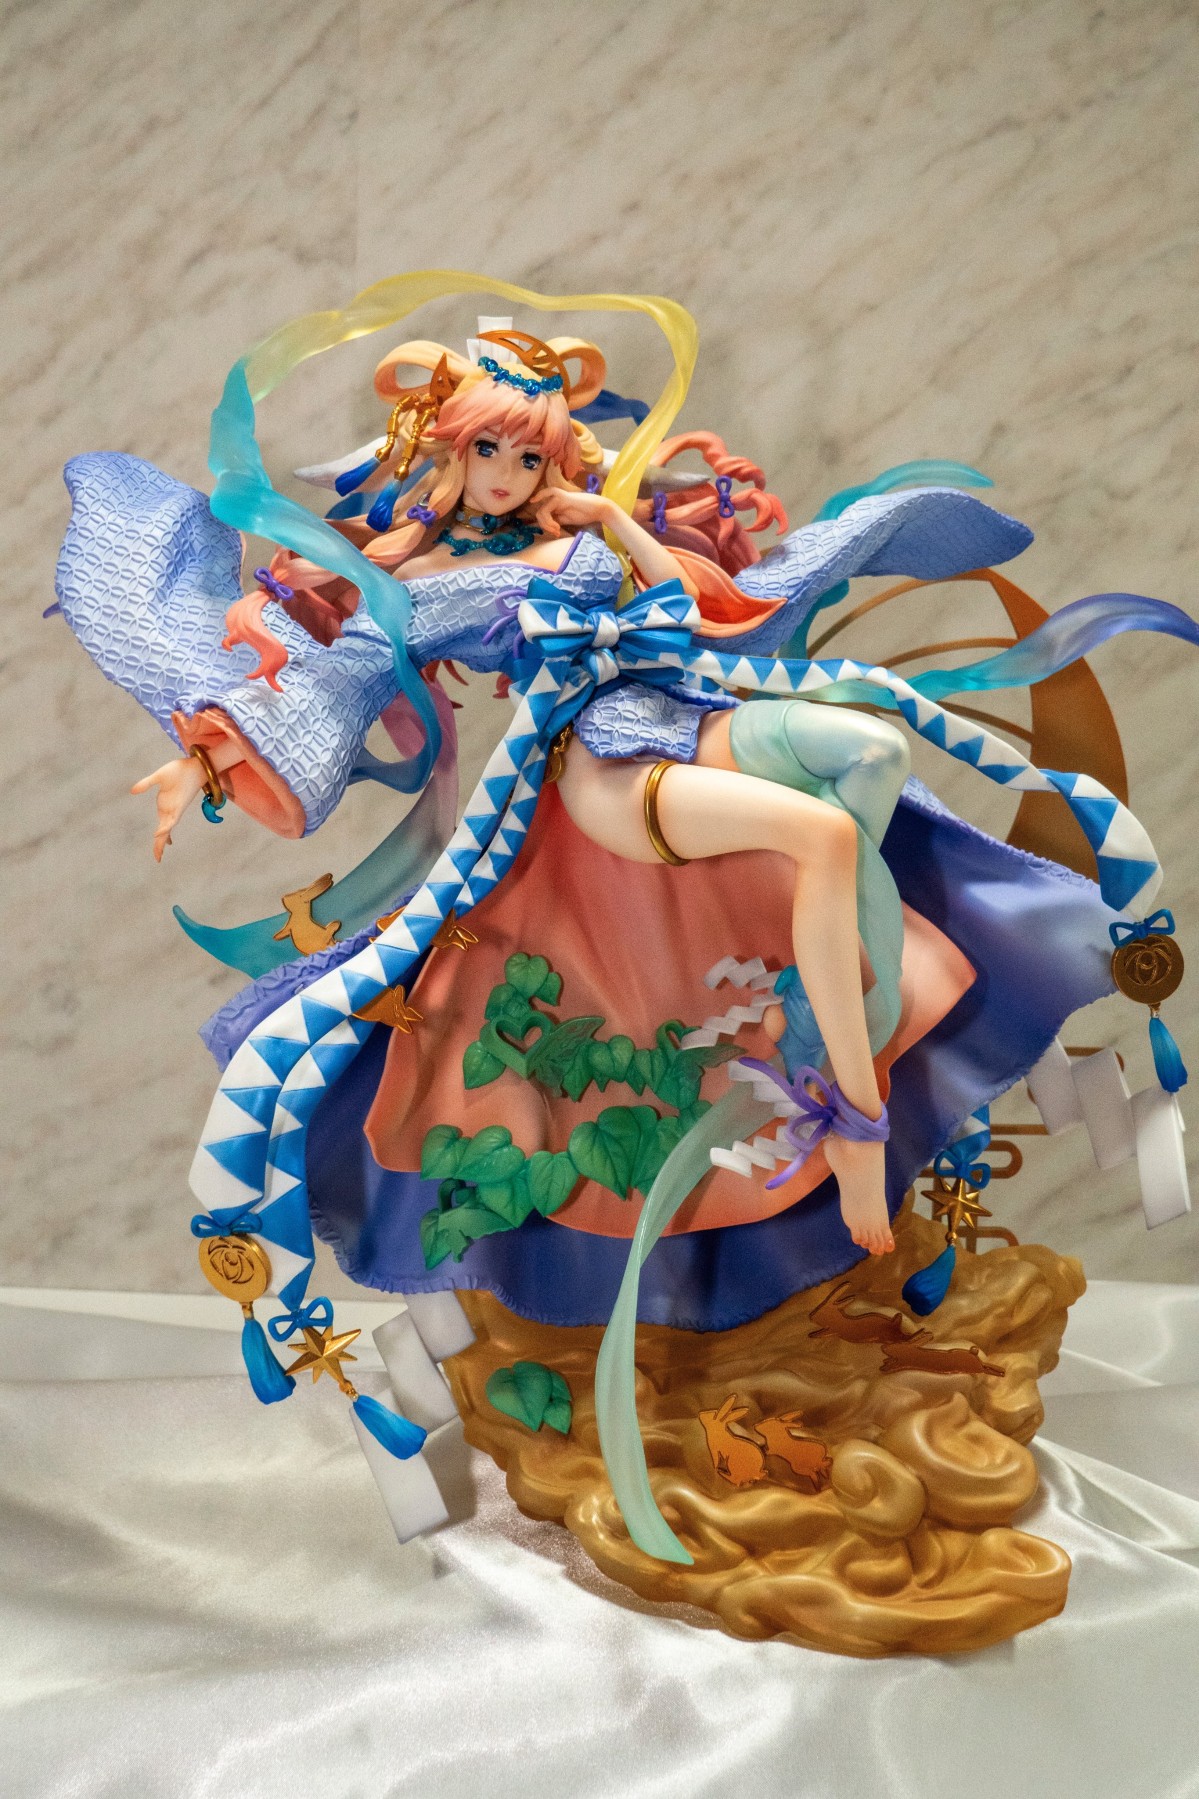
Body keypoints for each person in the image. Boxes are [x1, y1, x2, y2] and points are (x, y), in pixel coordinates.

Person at [53, 274, 1196, 1562]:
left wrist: (615, 519)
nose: (506, 474)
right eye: (487, 451)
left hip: (693, 710)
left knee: (877, 763)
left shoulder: (589, 527)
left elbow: (702, 609)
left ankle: (866, 1018)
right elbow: (327, 683)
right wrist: (210, 751)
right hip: (599, 769)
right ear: (446, 455)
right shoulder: (424, 578)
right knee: (822, 835)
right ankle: (854, 1118)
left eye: (528, 454)